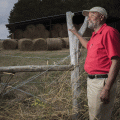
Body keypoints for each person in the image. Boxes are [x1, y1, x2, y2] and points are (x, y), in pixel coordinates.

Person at [69, 7, 120, 120]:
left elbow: (116, 61)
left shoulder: (109, 32)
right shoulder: (96, 34)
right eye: (88, 16)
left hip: (102, 82)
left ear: (101, 17)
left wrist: (106, 88)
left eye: (92, 15)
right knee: (96, 115)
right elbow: (87, 46)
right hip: (93, 82)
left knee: (98, 117)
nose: (88, 19)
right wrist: (76, 34)